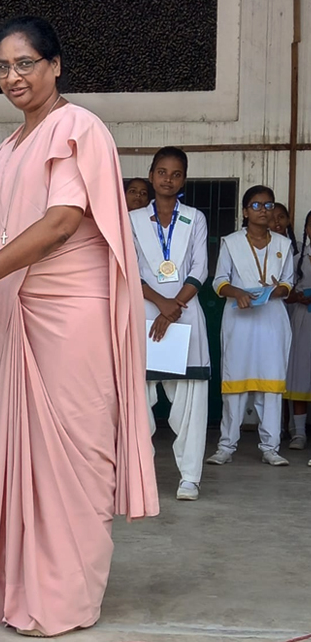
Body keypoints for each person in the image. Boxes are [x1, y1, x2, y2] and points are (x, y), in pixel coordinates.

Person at [0, 15, 158, 638]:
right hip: (16, 312)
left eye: (25, 63)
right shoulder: (6, 149)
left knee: (78, 453)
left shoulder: (77, 127)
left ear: (55, 66)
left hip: (71, 313)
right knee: (21, 455)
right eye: (2, 66)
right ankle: (19, 590)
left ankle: (66, 600)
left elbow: (59, 223)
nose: (13, 76)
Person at [130, 147, 210, 501]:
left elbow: (199, 269)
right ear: (151, 176)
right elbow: (128, 271)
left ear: (184, 180)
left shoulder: (195, 218)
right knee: (137, 397)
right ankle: (138, 474)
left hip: (185, 314)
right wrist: (161, 305)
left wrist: (174, 306)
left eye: (175, 174)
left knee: (190, 398)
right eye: (161, 172)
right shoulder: (130, 220)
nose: (167, 179)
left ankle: (189, 478)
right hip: (145, 313)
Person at [207, 185, 294, 466]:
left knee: (270, 384)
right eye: (256, 205)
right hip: (239, 318)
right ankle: (226, 446)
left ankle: (270, 447)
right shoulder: (231, 242)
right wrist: (238, 293)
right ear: (245, 211)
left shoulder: (284, 244)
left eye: (269, 206)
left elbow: (288, 284)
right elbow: (219, 281)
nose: (264, 211)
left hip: (272, 320)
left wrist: (275, 291)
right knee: (235, 382)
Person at [283, 209, 311, 449]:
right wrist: (299, 296)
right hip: (302, 319)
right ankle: (298, 433)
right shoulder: (298, 258)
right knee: (300, 373)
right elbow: (285, 293)